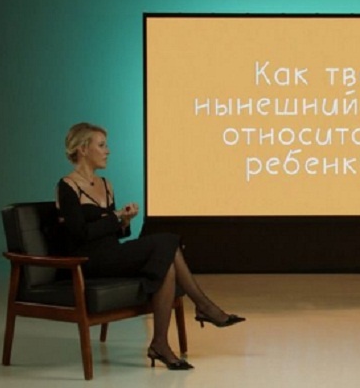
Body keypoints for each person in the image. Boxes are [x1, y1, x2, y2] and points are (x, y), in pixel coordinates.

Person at [55, 122, 245, 371]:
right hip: (87, 261)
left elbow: (114, 231)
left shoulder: (106, 184)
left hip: (112, 253)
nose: (107, 151)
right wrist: (115, 218)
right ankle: (203, 306)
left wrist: (124, 221)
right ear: (82, 149)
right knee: (167, 241)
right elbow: (79, 235)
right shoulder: (67, 186)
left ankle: (160, 343)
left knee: (166, 263)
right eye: (101, 145)